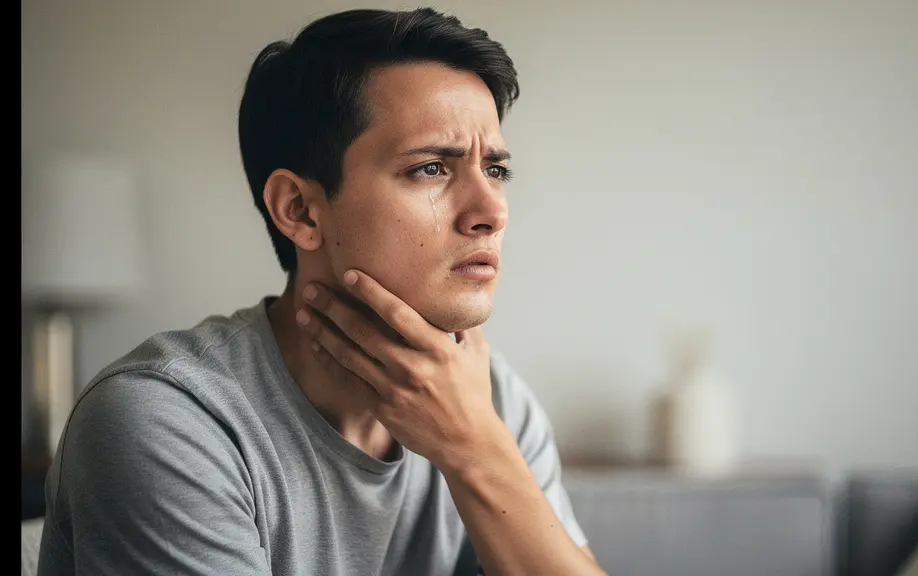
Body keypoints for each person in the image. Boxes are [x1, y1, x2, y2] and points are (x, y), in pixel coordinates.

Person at [37, 7, 606, 576]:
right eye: (432, 168)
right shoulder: (167, 421)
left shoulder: (492, 403)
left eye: (497, 170)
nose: (492, 211)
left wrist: (476, 449)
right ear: (301, 210)